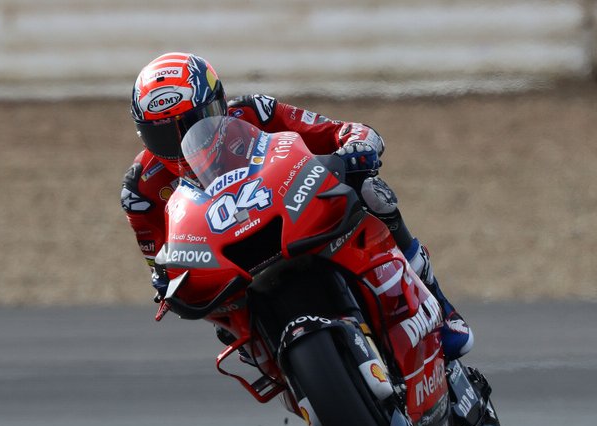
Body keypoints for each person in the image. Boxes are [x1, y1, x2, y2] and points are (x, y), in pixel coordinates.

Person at [120, 52, 472, 359]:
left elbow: (342, 131)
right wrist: (165, 280)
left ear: (218, 105)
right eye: (164, 135)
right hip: (233, 265)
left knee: (370, 191)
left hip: (294, 216)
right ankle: (306, 387)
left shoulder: (254, 112)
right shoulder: (142, 189)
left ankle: (441, 307)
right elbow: (163, 263)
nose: (182, 143)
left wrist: (356, 145)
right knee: (226, 328)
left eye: (192, 124)